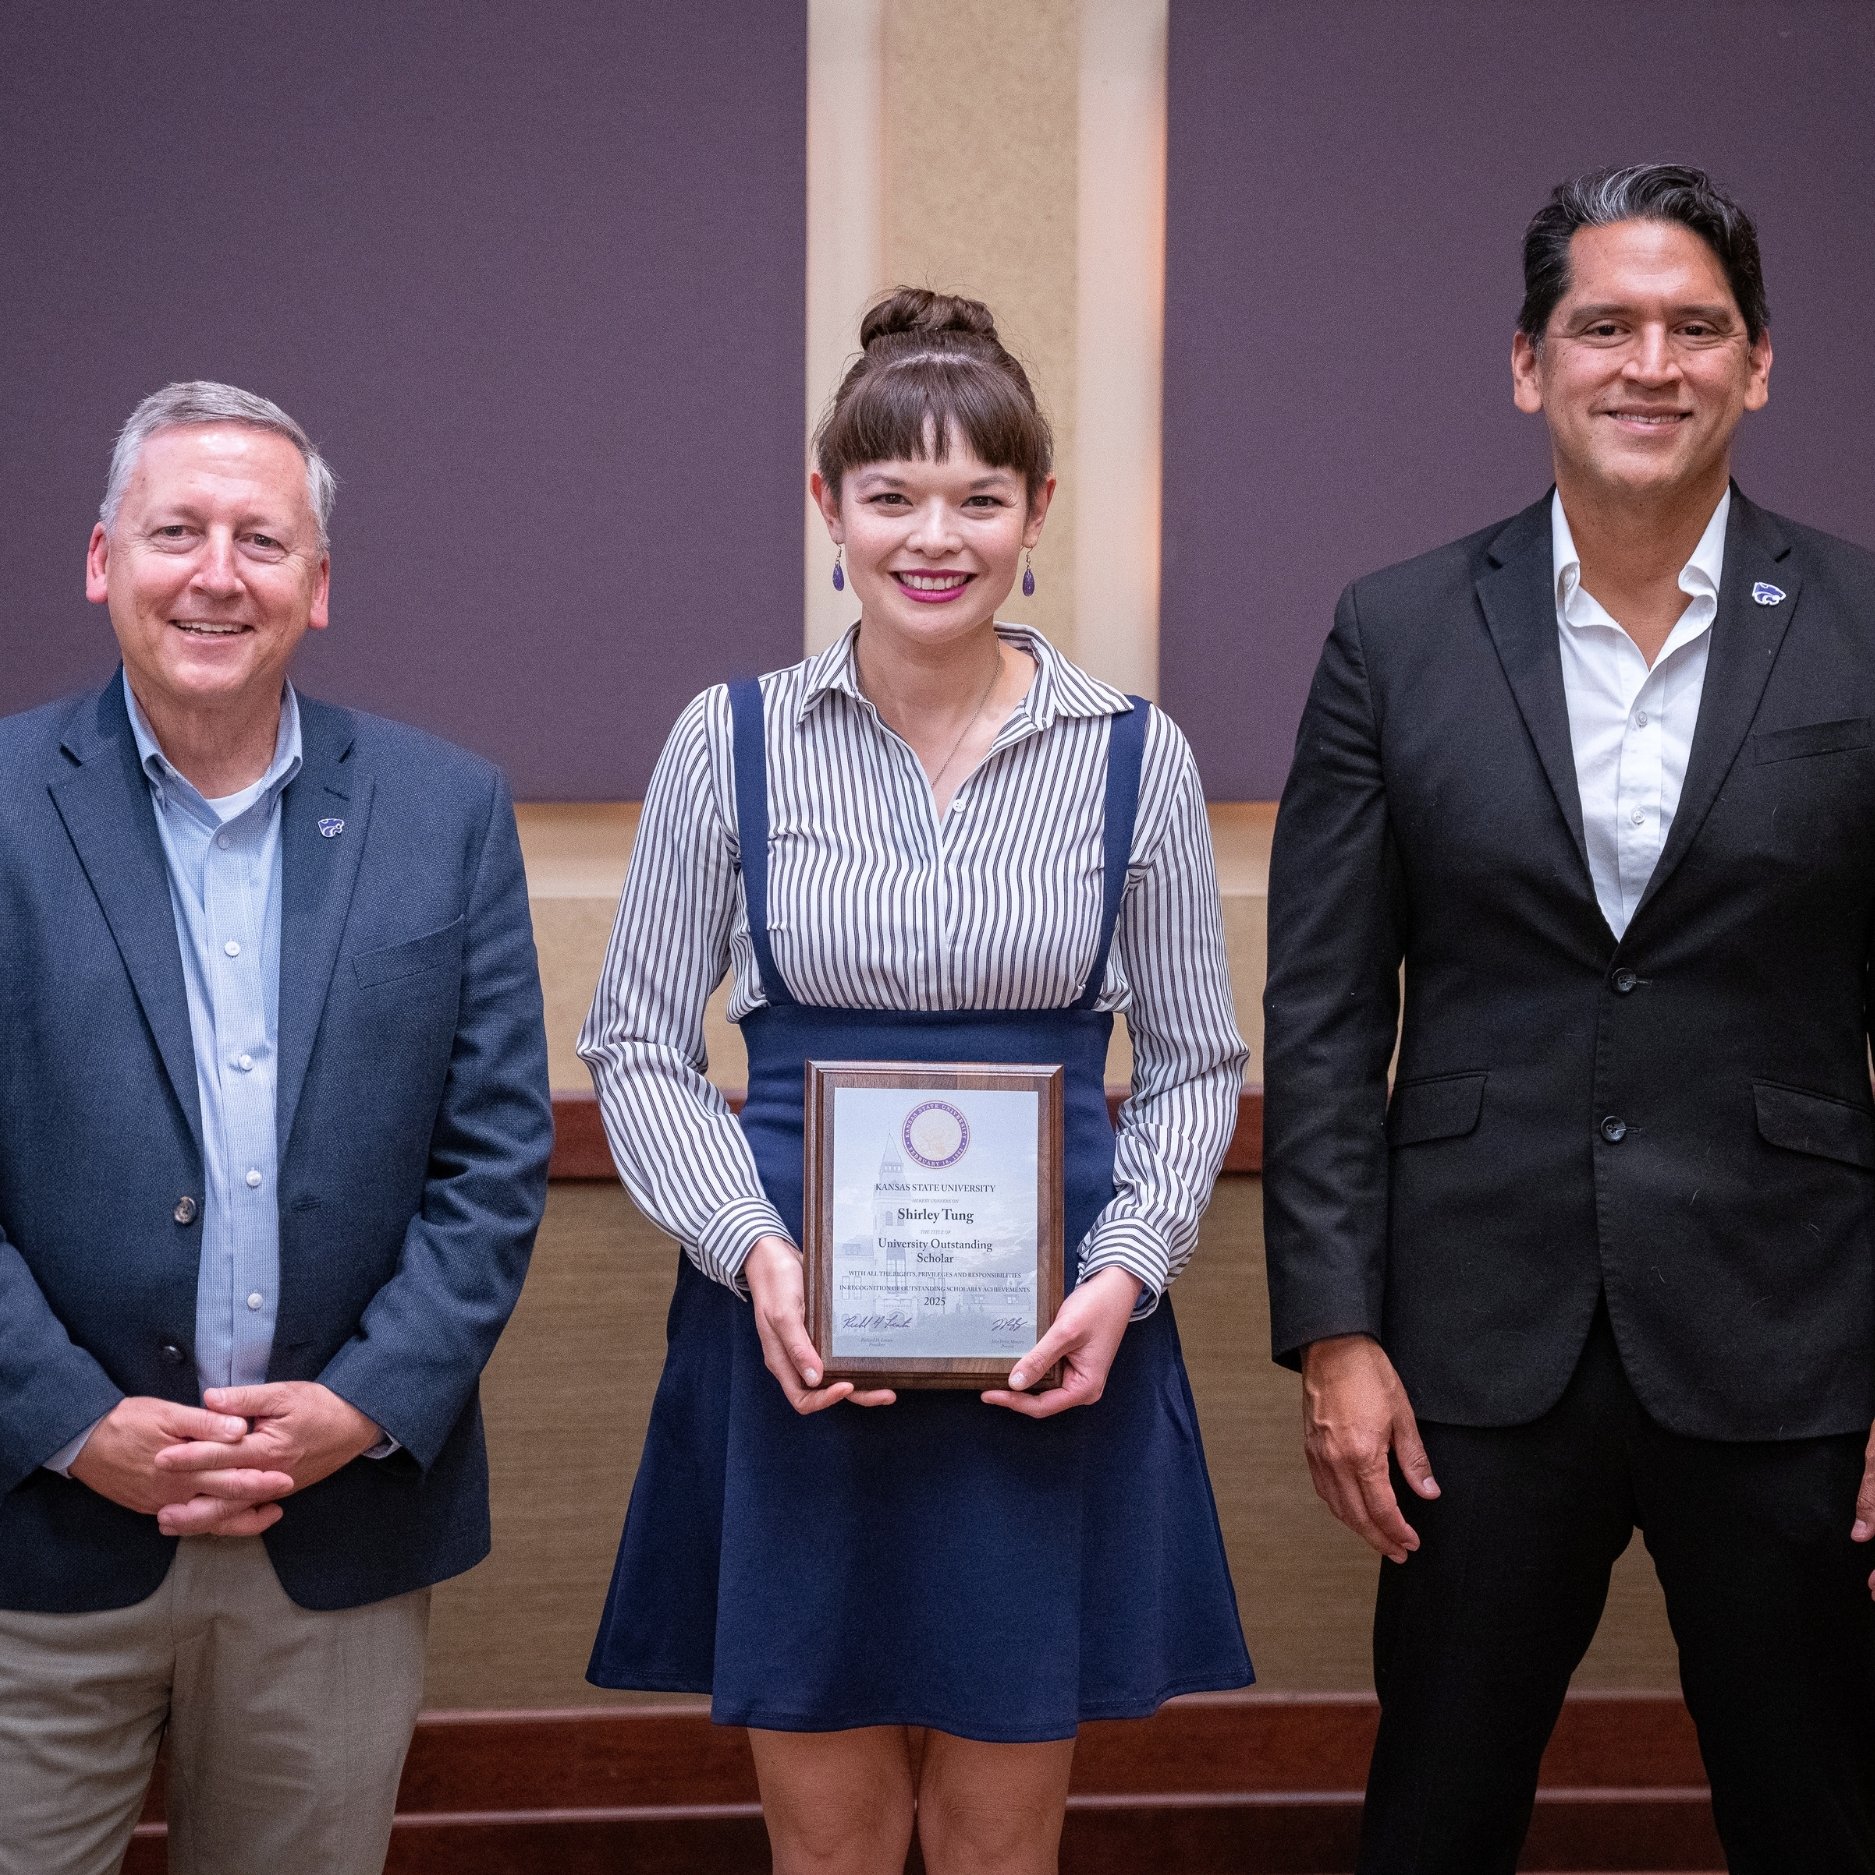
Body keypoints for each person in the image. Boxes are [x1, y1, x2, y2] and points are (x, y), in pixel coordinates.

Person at [580, 289, 1250, 1875]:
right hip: (797, 1330)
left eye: (977, 499)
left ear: (1037, 515)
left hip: (1048, 1349)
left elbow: (1198, 1058)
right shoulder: (726, 740)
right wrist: (755, 1255)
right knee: (826, 1848)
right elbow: (633, 1044)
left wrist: (1129, 1276)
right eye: (890, 497)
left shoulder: (1129, 752)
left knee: (1001, 1848)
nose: (931, 536)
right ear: (828, 507)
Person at [1263, 162, 1875, 1873]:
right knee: (1436, 1822)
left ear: (1758, 365)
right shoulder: (1394, 631)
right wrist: (1334, 1329)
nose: (1650, 362)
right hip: (1469, 1347)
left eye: (1697, 327)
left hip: (1796, 1341)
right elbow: (1320, 1006)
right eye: (1604, 324)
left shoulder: (1866, 631)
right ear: (1528, 362)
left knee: (1821, 1814)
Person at [0, 382, 552, 1874]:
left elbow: (492, 1162)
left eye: (263, 538)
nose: (217, 573)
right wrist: (69, 1425)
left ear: (319, 586)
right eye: (178, 530)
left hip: (337, 1536)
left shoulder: (444, 811)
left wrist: (361, 1407)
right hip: (35, 1533)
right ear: (103, 558)